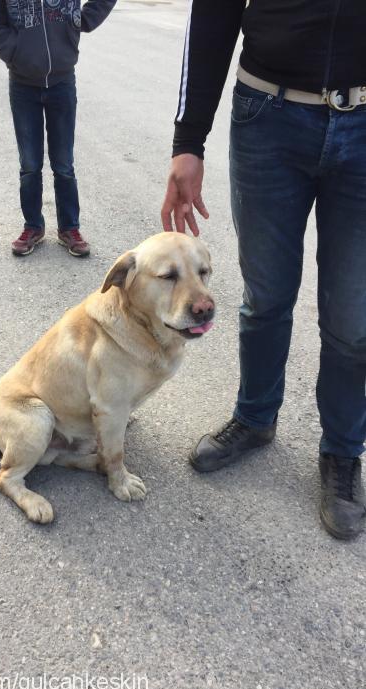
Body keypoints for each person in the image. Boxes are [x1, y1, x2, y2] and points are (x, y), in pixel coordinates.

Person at [161, 0, 366, 540]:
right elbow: (212, 15)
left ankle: (343, 454)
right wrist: (188, 141)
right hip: (269, 120)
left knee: (353, 315)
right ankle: (254, 418)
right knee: (266, 295)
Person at [0, 0, 116, 257]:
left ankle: (69, 228)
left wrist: (80, 20)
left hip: (62, 81)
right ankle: (33, 226)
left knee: (64, 163)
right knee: (30, 163)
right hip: (23, 84)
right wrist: (14, 51)